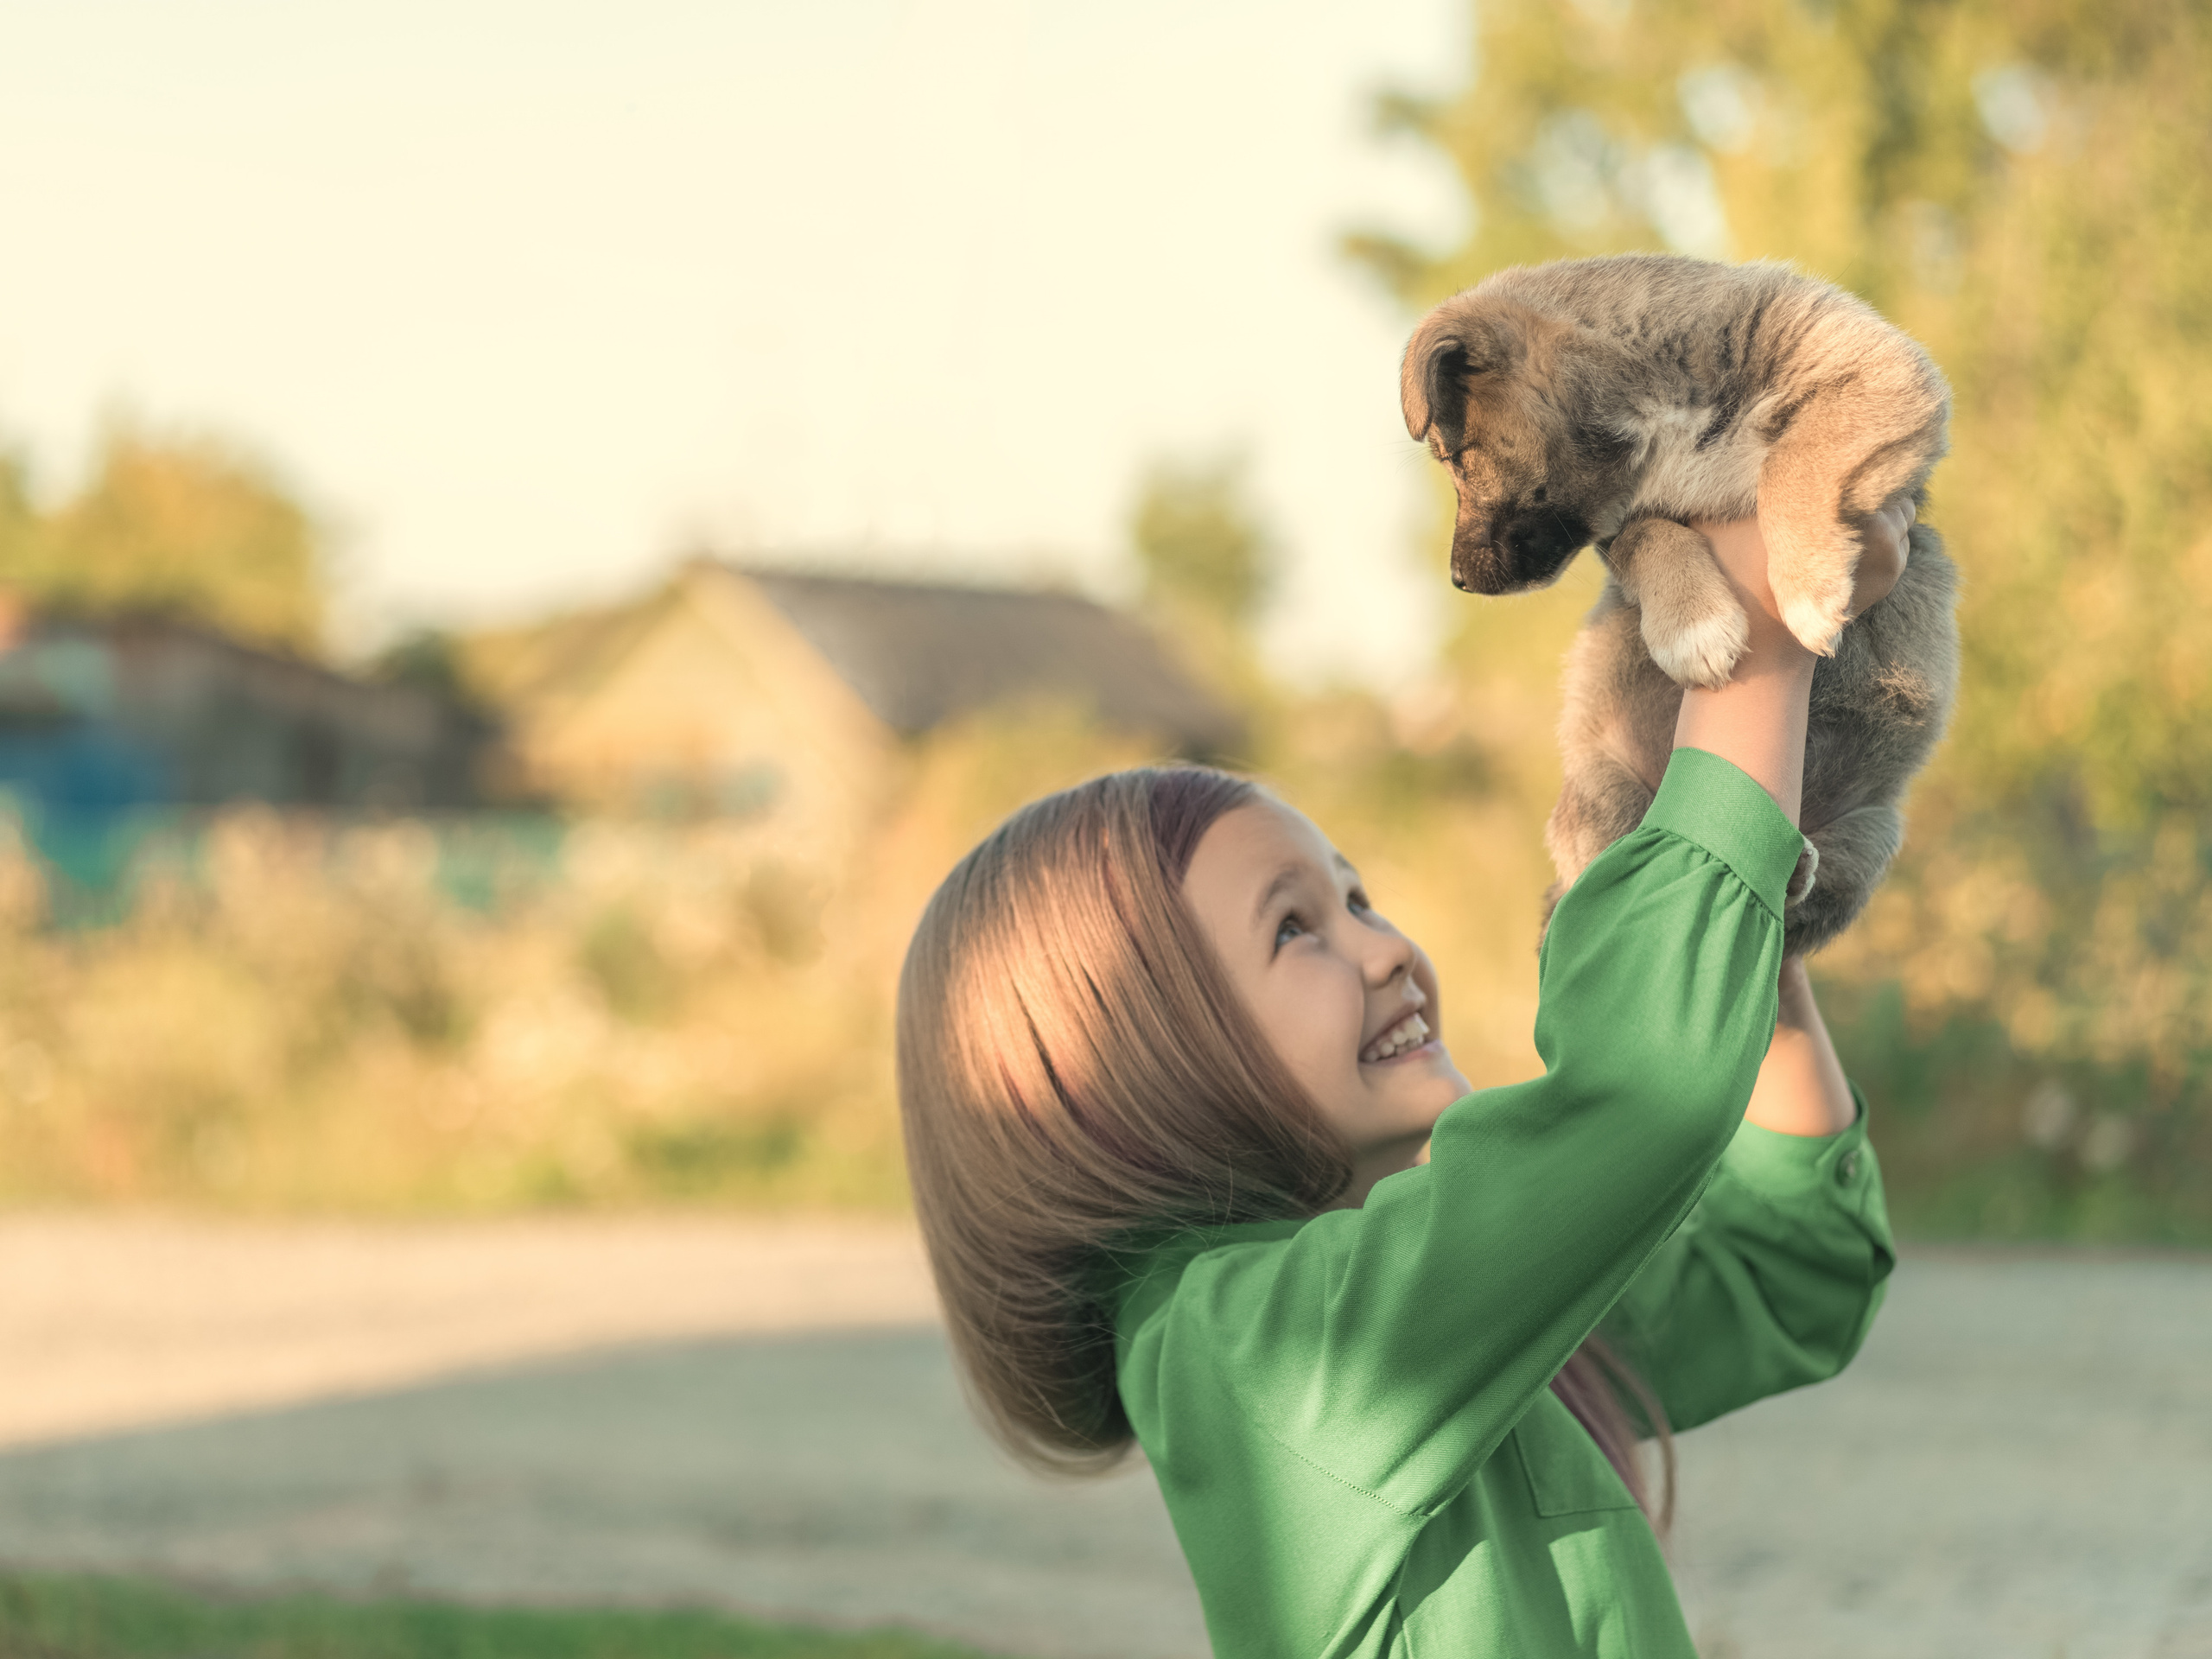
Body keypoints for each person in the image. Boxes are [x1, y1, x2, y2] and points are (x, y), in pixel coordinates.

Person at [897, 507, 1912, 1657]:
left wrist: (1752, 959)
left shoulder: (1416, 1321)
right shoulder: (1253, 1357)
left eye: (1359, 898)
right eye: (1295, 929)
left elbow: (1786, 1274)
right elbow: (1638, 1103)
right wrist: (1748, 637)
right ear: (1129, 1065)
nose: (1384, 949)